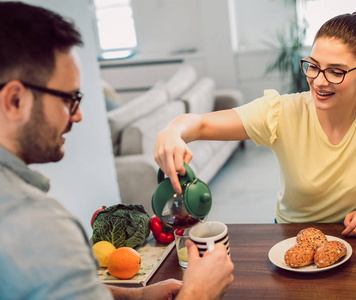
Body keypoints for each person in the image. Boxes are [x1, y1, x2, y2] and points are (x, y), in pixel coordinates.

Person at [0, 2, 233, 300]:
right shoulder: (39, 226)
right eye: (69, 98)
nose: (78, 115)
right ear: (15, 100)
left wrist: (135, 296)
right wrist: (199, 293)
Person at [154, 4, 356, 238]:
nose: (319, 81)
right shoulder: (281, 113)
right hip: (291, 234)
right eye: (313, 66)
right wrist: (172, 131)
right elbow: (200, 124)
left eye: (335, 71)